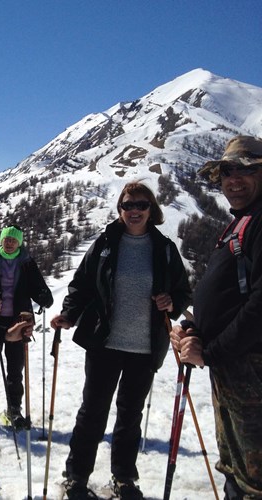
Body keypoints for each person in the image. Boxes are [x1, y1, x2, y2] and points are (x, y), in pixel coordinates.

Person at [50, 182, 191, 500]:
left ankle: (124, 478)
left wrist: (172, 303)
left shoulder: (165, 248)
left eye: (141, 205)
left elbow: (183, 291)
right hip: (105, 343)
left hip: (145, 347)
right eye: (128, 205)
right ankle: (76, 477)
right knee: (93, 412)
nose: (135, 211)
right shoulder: (105, 243)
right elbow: (82, 284)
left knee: (130, 415)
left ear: (151, 209)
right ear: (120, 209)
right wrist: (69, 315)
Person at [170, 135, 262, 499]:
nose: (233, 179)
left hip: (250, 370)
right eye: (226, 172)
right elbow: (232, 295)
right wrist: (196, 328)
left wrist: (210, 352)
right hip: (236, 369)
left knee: (254, 477)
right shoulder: (245, 220)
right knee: (238, 467)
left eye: (245, 170)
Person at [0, 225, 53, 429]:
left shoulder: (26, 263)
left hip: (18, 323)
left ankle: (14, 409)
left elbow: (38, 286)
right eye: (7, 239)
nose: (10, 242)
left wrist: (43, 296)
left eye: (14, 239)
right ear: (1, 240)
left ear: (20, 242)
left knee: (15, 370)